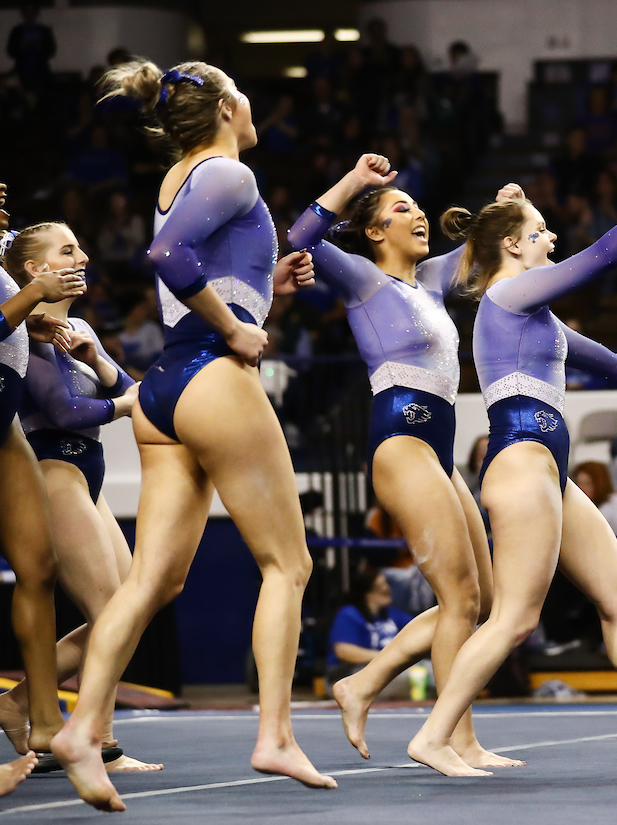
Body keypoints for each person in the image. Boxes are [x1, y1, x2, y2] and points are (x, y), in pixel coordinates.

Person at [51, 58, 338, 810]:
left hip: (165, 388)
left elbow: (198, 265)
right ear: (224, 109)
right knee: (288, 565)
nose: (253, 104)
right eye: (243, 92)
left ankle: (80, 726)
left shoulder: (182, 175)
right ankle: (274, 733)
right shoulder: (228, 173)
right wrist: (237, 328)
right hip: (212, 377)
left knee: (154, 581)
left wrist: (260, 294)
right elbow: (168, 258)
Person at [404, 168, 617, 776]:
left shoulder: (535, 318)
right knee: (515, 618)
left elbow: (615, 364)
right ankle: (433, 734)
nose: (550, 238)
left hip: (548, 471)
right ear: (510, 246)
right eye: (540, 231)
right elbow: (603, 257)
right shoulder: (506, 297)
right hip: (522, 463)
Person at [287, 161, 518, 768]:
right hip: (401, 440)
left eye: (418, 206)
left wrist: (504, 206)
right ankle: (452, 738)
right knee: (460, 596)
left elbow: (486, 247)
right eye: (400, 209)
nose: (418, 214)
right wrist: (355, 182)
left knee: (485, 598)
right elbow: (300, 237)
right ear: (371, 232)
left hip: (436, 448)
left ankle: (364, 682)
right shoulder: (363, 278)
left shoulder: (431, 282)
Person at [0, 223, 156, 773]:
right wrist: (128, 403)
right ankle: (97, 740)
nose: (83, 256)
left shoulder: (78, 326)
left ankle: (19, 704)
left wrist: (99, 360)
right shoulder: (28, 332)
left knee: (133, 606)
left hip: (87, 473)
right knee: (112, 611)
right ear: (35, 271)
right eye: (68, 250)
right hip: (53, 468)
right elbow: (67, 411)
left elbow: (119, 387)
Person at [0, 192, 86, 781]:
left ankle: (44, 720)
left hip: (3, 424)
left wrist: (30, 316)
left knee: (40, 566)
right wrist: (32, 294)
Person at [326, 568, 415, 685]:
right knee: (408, 677)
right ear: (367, 593)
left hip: (385, 666)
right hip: (349, 673)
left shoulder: (393, 614)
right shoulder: (349, 614)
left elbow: (420, 628)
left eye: (386, 584)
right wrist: (391, 657)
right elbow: (343, 651)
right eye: (380, 586)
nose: (387, 589)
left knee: (426, 670)